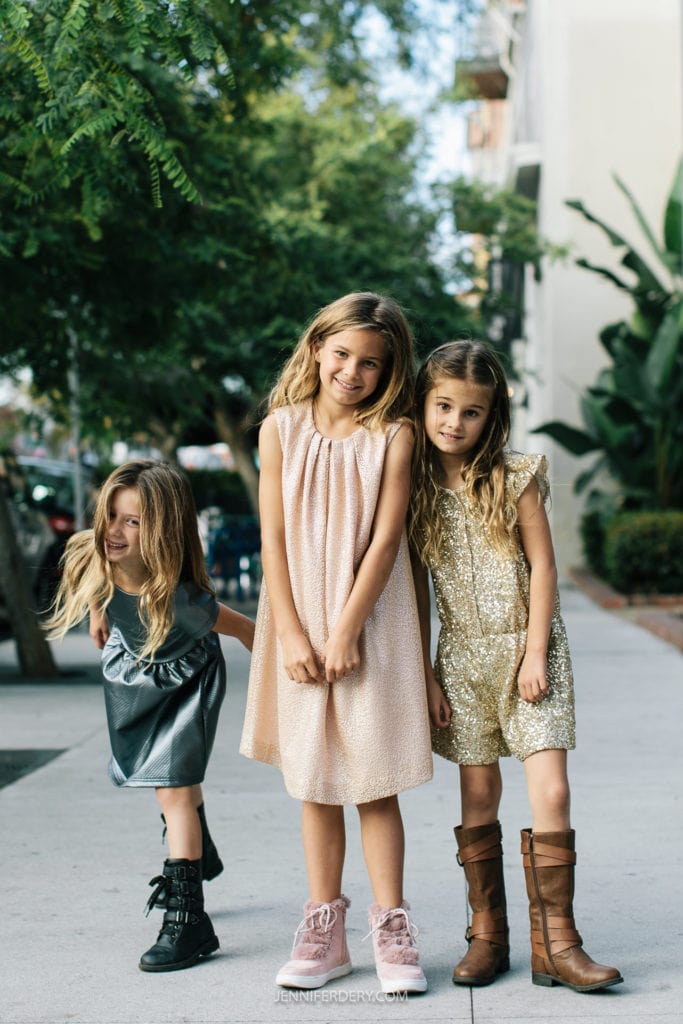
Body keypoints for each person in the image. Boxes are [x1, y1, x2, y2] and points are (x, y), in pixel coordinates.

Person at [409, 341, 623, 993]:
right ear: (421, 405)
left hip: (529, 653)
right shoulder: (413, 489)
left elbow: (545, 568)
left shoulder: (515, 475)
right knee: (477, 794)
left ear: (491, 416)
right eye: (442, 406)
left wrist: (534, 652)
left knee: (550, 789)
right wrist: (425, 673)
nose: (453, 422)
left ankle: (557, 942)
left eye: (470, 412)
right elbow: (414, 590)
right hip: (461, 659)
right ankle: (489, 935)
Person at [239, 292, 433, 994]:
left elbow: (386, 541)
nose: (352, 372)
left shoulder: (395, 435)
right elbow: (273, 539)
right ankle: (324, 931)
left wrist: (348, 627)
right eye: (341, 354)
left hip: (370, 620)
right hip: (297, 617)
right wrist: (289, 631)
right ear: (316, 347)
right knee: (315, 784)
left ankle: (391, 928)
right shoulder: (279, 430)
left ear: (388, 372)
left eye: (371, 364)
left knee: (373, 781)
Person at [44, 460, 255, 973]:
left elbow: (251, 631)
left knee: (173, 789)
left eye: (133, 522)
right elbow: (99, 579)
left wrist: (291, 670)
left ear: (162, 531)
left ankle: (189, 920)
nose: (115, 531)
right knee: (169, 782)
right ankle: (199, 851)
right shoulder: (99, 555)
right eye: (112, 516)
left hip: (187, 683)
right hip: (134, 678)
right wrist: (98, 611)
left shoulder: (182, 599)